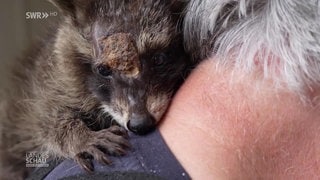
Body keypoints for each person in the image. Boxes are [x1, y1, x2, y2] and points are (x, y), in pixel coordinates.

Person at [29, 0, 320, 179]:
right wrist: (78, 140)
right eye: (106, 71)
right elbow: (49, 120)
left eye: (156, 60)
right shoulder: (69, 71)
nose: (136, 111)